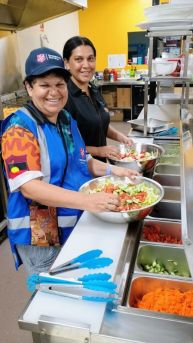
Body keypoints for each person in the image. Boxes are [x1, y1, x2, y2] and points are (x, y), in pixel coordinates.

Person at [1, 47, 139, 276]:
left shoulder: (65, 118)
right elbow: (29, 187)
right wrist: (89, 201)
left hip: (71, 218)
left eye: (59, 84)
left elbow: (82, 158)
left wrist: (115, 170)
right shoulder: (19, 129)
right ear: (29, 87)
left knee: (73, 280)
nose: (54, 92)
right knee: (51, 289)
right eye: (45, 85)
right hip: (40, 233)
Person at [63, 36, 133, 163]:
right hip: (81, 169)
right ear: (67, 63)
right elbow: (66, 146)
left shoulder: (93, 89)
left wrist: (120, 137)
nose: (86, 65)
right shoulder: (65, 97)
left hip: (100, 166)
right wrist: (99, 151)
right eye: (79, 59)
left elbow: (100, 124)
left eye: (90, 59)